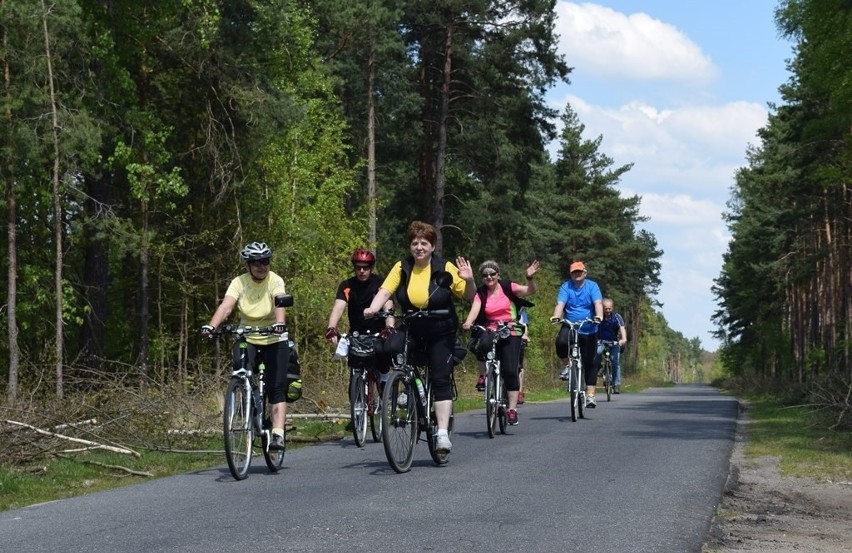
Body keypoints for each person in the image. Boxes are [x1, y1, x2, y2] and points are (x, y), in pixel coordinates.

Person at [364, 221, 475, 453]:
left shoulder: (444, 266)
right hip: (412, 326)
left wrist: (469, 280)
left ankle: (442, 434)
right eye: (415, 243)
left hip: (441, 328)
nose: (419, 247)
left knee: (440, 376)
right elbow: (385, 290)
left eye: (424, 243)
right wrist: (373, 309)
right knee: (390, 346)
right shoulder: (402, 266)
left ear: (433, 246)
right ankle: (407, 387)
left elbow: (469, 296)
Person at [202, 241, 291, 449]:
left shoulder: (275, 280)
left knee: (276, 387)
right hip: (248, 336)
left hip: (274, 337)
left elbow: (280, 301)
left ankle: (278, 433)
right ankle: (248, 402)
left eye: (265, 261)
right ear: (247, 265)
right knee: (240, 371)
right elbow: (226, 306)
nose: (261, 266)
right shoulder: (239, 282)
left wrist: (279, 324)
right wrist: (211, 326)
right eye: (256, 262)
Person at [462, 260, 539, 426]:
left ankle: (512, 409)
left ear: (498, 275)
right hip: (490, 327)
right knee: (481, 346)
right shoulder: (481, 293)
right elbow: (474, 309)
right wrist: (469, 322)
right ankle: (483, 376)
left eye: (492, 274)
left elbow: (529, 291)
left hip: (510, 328)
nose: (489, 277)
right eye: (485, 275)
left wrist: (529, 278)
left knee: (511, 369)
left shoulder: (507, 286)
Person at [325, 249, 395, 431]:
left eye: (365, 268)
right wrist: (332, 328)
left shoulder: (380, 283)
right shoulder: (347, 285)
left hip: (379, 332)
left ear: (371, 268)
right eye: (358, 268)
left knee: (381, 361)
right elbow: (338, 308)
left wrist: (389, 326)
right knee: (356, 371)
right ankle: (356, 413)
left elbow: (388, 305)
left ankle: (387, 394)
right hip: (357, 333)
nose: (362, 271)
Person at [550, 260, 603, 407]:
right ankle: (567, 366)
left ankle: (590, 395)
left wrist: (599, 316)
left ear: (585, 273)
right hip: (570, 325)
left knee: (590, 362)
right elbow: (560, 304)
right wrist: (556, 316)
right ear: (571, 274)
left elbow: (598, 303)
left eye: (579, 272)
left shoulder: (592, 286)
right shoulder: (566, 287)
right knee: (561, 342)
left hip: (589, 327)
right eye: (574, 272)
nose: (577, 274)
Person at [596, 298, 627, 394]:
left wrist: (623, 339)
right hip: (601, 341)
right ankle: (599, 367)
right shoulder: (598, 316)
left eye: (609, 308)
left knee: (615, 361)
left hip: (614, 342)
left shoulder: (617, 317)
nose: (608, 311)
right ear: (602, 308)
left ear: (612, 308)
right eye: (605, 308)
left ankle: (616, 384)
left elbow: (622, 328)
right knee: (597, 352)